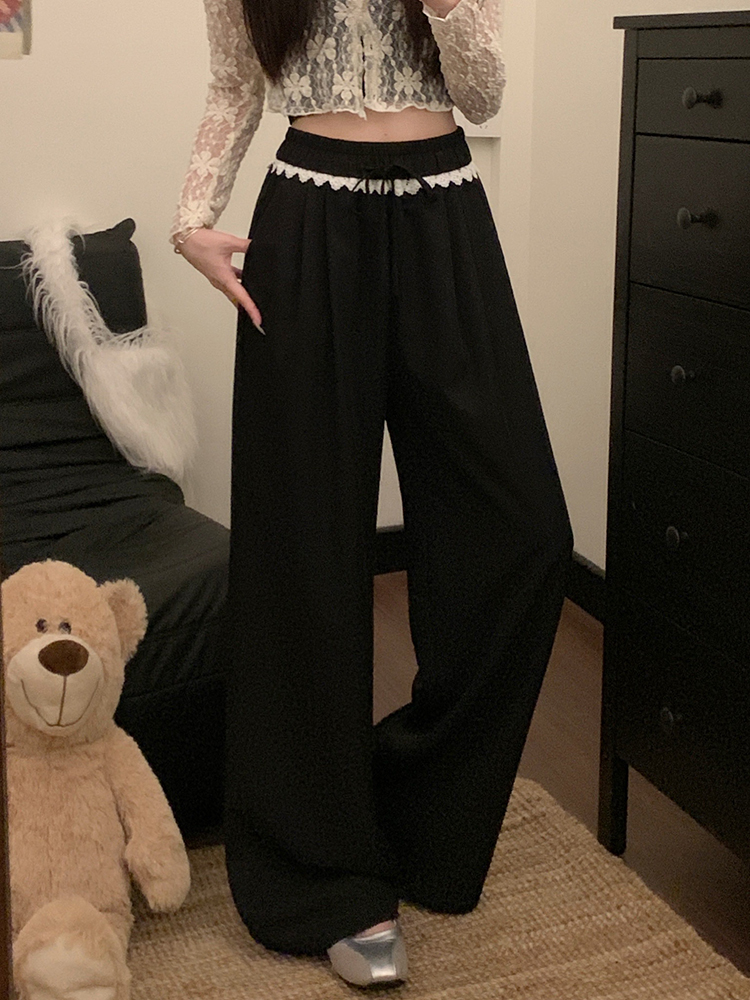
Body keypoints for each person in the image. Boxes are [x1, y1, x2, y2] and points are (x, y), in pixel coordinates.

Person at [170, 0, 573, 988]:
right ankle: (325, 875)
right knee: (302, 547)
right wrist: (192, 220)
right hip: (307, 219)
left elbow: (483, 93)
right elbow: (233, 83)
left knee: (524, 532)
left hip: (448, 214)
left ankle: (413, 805)